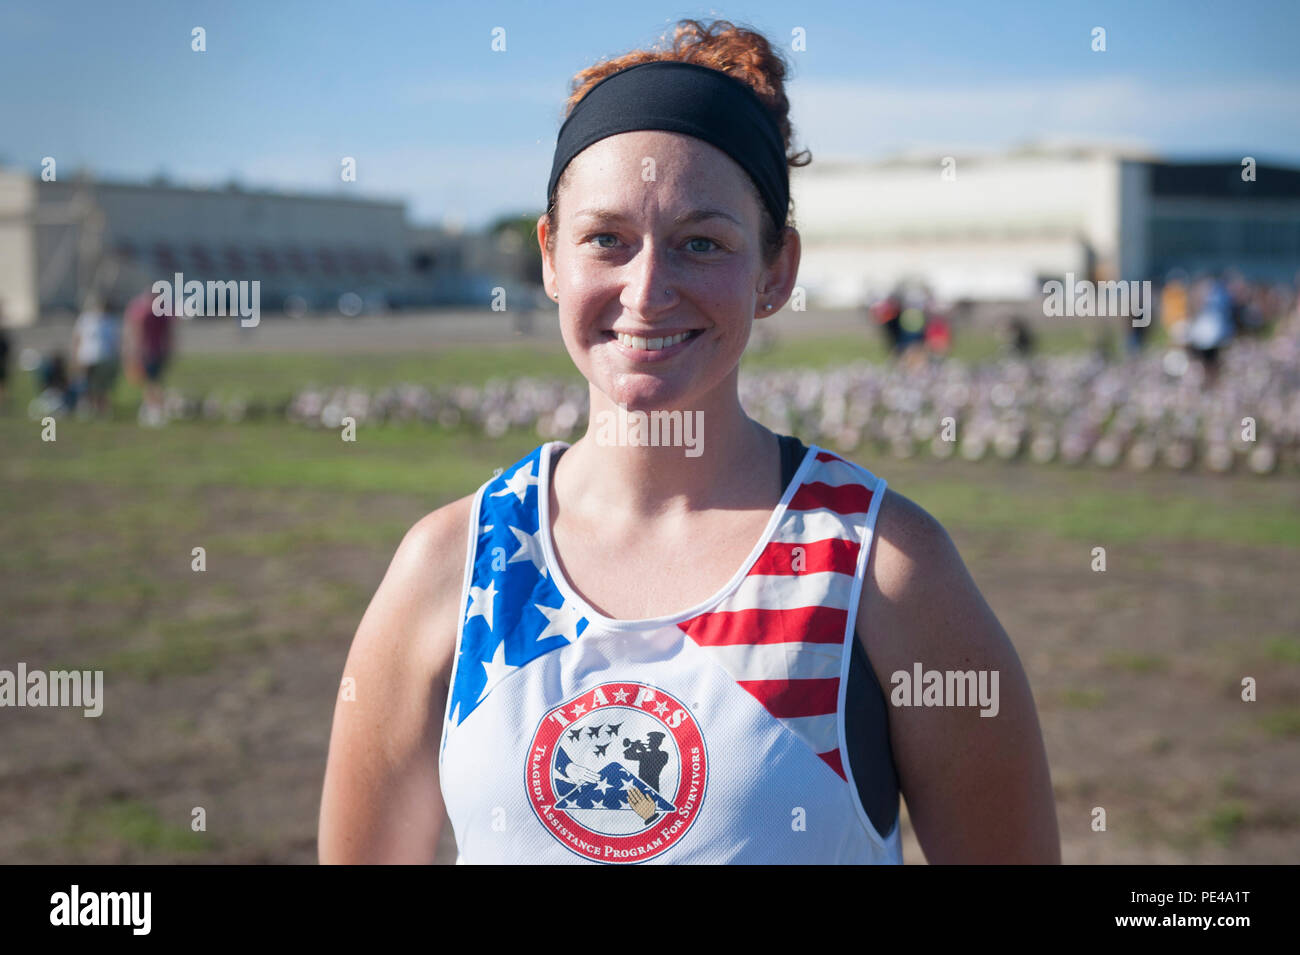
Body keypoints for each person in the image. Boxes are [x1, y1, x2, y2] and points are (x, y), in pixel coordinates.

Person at [319, 18, 1059, 865]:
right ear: (551, 257)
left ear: (775, 272)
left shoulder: (883, 569)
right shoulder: (450, 565)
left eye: (700, 243)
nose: (647, 290)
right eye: (607, 240)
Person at [123, 288, 174, 426]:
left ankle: (154, 410)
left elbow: (136, 331)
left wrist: (133, 351)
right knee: (154, 381)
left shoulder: (144, 311)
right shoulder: (163, 311)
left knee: (150, 383)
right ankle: (154, 408)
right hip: (158, 351)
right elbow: (169, 333)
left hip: (148, 351)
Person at [71, 296, 122, 417]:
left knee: (102, 386)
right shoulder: (85, 319)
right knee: (86, 385)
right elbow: (77, 338)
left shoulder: (111, 321)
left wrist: (116, 357)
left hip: (105, 359)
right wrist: (75, 356)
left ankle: (102, 410)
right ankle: (87, 408)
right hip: (87, 357)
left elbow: (115, 341)